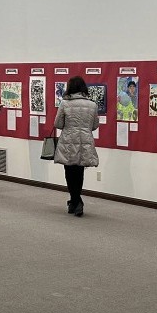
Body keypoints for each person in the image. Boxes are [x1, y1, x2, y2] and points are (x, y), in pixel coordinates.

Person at [54, 76, 99, 217]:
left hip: (68, 140)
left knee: (69, 171)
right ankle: (75, 202)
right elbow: (95, 125)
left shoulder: (65, 104)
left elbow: (58, 124)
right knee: (79, 172)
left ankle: (75, 202)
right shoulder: (92, 105)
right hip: (85, 140)